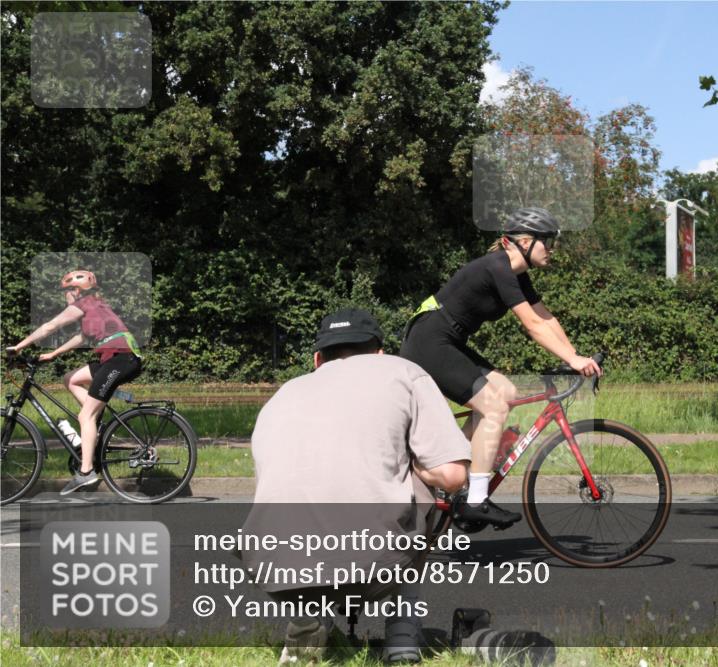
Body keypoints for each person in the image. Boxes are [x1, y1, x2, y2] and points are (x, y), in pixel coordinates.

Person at [245, 307, 470, 664]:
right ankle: (402, 637)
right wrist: (415, 468)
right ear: (380, 352)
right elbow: (454, 475)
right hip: (370, 565)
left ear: (317, 359)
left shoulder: (284, 394)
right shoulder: (405, 372)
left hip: (273, 568)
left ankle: (312, 614)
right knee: (428, 485)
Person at [400, 207, 601, 528]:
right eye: (546, 242)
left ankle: (445, 468)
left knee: (505, 391)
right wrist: (573, 360)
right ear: (523, 241)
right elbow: (533, 325)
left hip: (448, 340)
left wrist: (574, 356)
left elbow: (546, 318)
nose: (551, 249)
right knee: (492, 405)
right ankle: (474, 498)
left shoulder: (517, 276)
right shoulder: (499, 267)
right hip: (430, 341)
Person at [6, 270, 142, 495]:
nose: (65, 297)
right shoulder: (94, 307)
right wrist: (54, 353)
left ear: (75, 291)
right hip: (116, 358)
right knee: (71, 379)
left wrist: (18, 347)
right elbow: (81, 337)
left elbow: (51, 326)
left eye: (66, 292)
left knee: (84, 416)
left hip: (121, 359)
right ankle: (93, 424)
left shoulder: (84, 303)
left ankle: (86, 472)